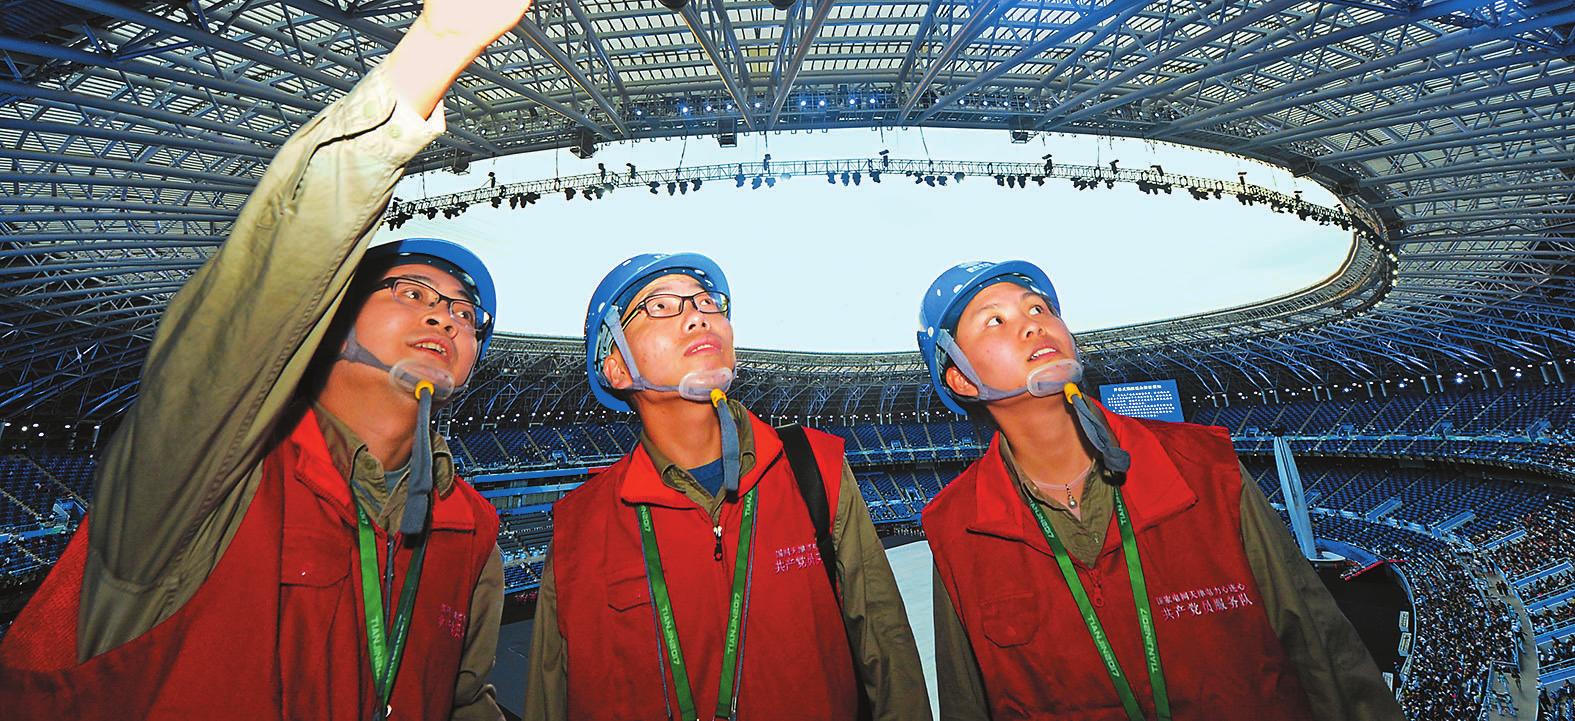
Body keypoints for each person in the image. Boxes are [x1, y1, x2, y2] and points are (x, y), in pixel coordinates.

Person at [0, 0, 548, 720]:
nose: (447, 312)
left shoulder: (470, 527)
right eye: (411, 289)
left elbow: (461, 696)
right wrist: (429, 54)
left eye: (466, 312)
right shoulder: (205, 474)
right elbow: (264, 289)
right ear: (326, 320)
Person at [916, 260, 1404, 721]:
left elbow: (1321, 646)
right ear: (961, 379)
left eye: (1039, 308)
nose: (1032, 325)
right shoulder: (955, 526)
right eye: (995, 320)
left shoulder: (1204, 465)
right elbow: (966, 702)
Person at [523, 252, 931, 721]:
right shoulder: (578, 527)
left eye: (708, 303)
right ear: (616, 368)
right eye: (660, 306)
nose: (698, 316)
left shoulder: (815, 468)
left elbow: (889, 657)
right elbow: (549, 700)